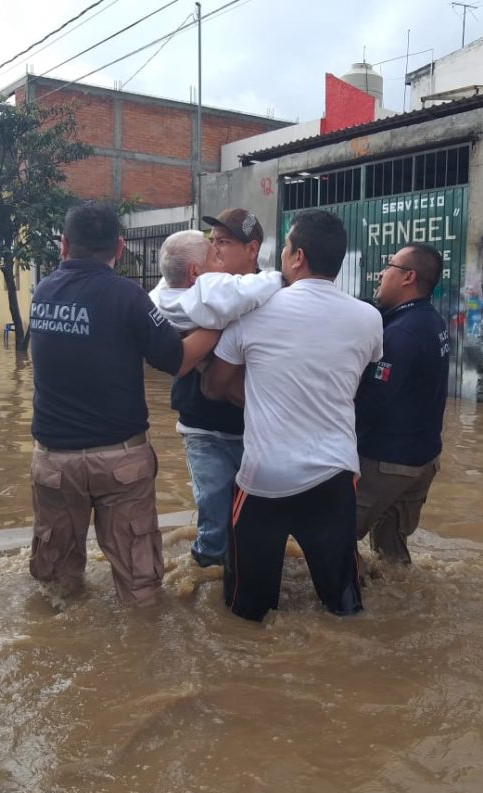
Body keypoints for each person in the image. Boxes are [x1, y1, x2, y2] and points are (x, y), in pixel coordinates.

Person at [28, 201, 219, 605]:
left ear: (63, 245)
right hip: (119, 462)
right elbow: (179, 361)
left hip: (53, 463)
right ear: (119, 247)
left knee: (55, 587)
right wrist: (222, 322)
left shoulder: (42, 292)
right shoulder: (127, 296)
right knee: (140, 590)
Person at [202, 209, 383, 621]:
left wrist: (257, 400)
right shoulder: (370, 318)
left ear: (297, 256)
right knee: (345, 607)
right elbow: (350, 381)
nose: (281, 254)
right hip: (335, 474)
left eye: (284, 246)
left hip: (265, 477)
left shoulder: (254, 313)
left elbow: (215, 385)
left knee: (246, 612)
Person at [154, 223, 281, 568]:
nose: (217, 249)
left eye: (223, 242)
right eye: (212, 244)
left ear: (251, 249)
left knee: (257, 517)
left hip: (254, 429)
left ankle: (245, 573)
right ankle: (205, 571)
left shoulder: (270, 298)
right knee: (213, 507)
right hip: (202, 425)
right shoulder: (188, 292)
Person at [355, 243, 451, 565]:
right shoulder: (431, 321)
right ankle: (401, 609)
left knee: (332, 534)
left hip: (386, 464)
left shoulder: (401, 335)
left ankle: (345, 609)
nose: (382, 273)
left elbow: (371, 404)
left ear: (408, 277)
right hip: (422, 462)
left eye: (389, 266)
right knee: (391, 553)